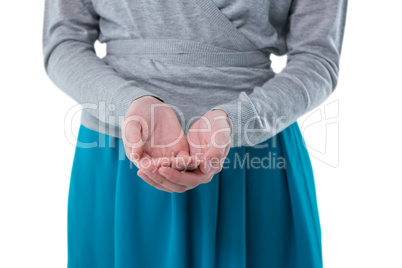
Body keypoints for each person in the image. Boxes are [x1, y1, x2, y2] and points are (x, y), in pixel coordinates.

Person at [42, 0, 348, 267]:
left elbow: (318, 58)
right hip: (121, 151)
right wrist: (128, 105)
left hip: (251, 154)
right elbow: (64, 40)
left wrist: (236, 121)